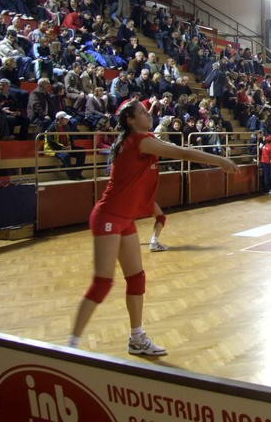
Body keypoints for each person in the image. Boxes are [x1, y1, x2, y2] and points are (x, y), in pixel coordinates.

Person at [68, 100, 239, 354]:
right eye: (141, 112)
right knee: (102, 283)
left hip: (125, 219)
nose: (147, 114)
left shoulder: (143, 140)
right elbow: (183, 153)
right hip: (108, 217)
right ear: (130, 120)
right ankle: (71, 346)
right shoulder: (140, 141)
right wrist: (219, 159)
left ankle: (137, 338)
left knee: (136, 279)